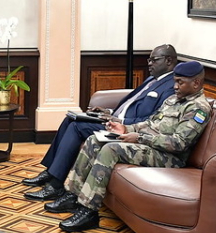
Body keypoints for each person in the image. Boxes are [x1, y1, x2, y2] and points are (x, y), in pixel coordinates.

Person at [48, 61, 211, 232]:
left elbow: (179, 143)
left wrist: (140, 138)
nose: (175, 86)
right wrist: (125, 128)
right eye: (175, 81)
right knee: (94, 140)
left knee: (111, 150)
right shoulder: (173, 100)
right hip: (150, 146)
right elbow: (150, 123)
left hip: (170, 157)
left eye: (180, 82)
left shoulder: (198, 108)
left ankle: (89, 211)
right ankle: (73, 195)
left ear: (196, 83)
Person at [23, 44, 179, 201]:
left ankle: (56, 185)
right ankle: (50, 172)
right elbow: (130, 104)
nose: (149, 63)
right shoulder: (152, 79)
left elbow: (152, 120)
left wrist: (119, 121)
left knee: (77, 127)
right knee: (70, 118)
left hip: (126, 128)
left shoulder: (172, 87)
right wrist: (108, 112)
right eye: (149, 59)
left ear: (168, 60)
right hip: (114, 119)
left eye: (154, 60)